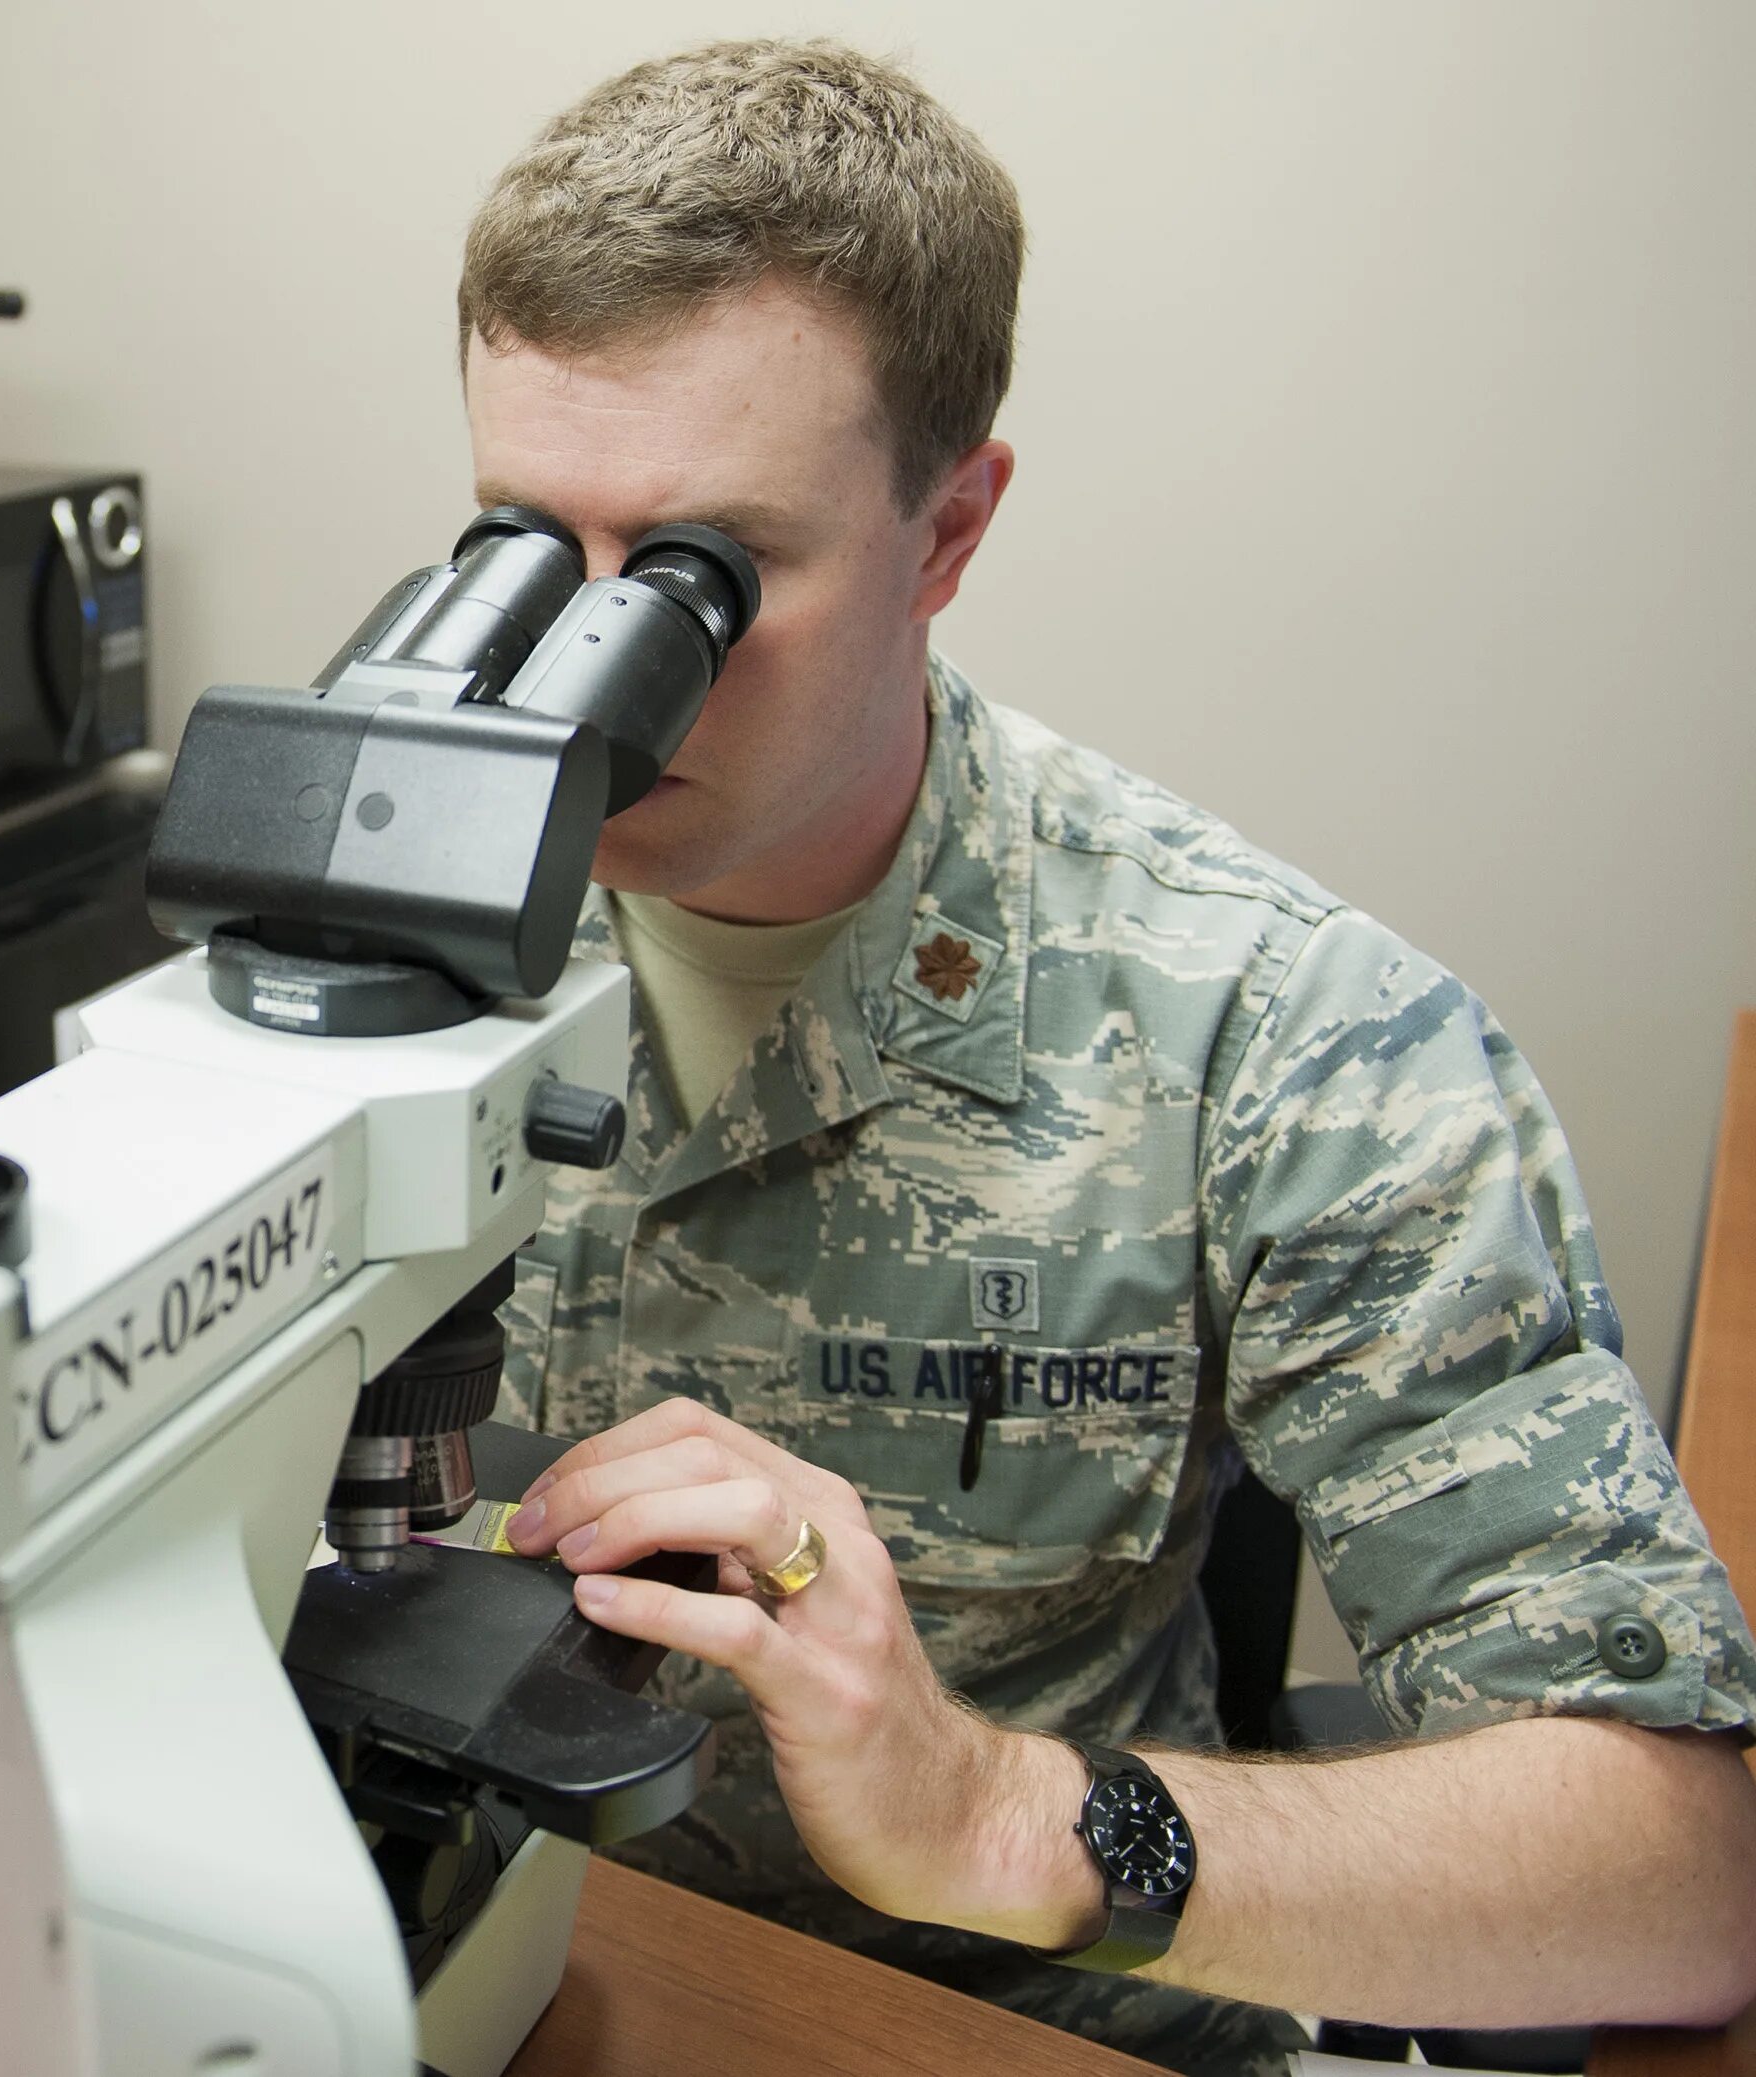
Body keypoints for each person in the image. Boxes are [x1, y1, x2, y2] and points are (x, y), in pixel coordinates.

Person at [463, 39, 1756, 2075]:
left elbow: (1683, 1869)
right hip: (471, 1978)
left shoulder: (1284, 1038)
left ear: (950, 531)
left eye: (714, 571)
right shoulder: (357, 939)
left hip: (979, 2022)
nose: (593, 676)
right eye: (528, 547)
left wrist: (997, 1807)